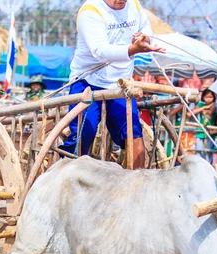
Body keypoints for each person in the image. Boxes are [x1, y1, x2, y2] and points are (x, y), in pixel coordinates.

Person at [60, 0, 164, 169]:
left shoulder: (134, 6)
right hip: (88, 81)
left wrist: (144, 38)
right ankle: (68, 174)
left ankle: (137, 182)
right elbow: (100, 51)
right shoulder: (91, 11)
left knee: (133, 133)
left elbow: (145, 27)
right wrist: (133, 50)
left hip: (120, 85)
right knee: (84, 131)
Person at [191, 88, 217, 160]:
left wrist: (204, 109)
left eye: (210, 97)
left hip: (210, 132)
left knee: (208, 151)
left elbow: (210, 113)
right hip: (200, 131)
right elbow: (192, 112)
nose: (208, 99)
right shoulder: (200, 104)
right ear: (203, 97)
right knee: (199, 150)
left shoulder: (213, 105)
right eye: (206, 97)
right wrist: (204, 107)